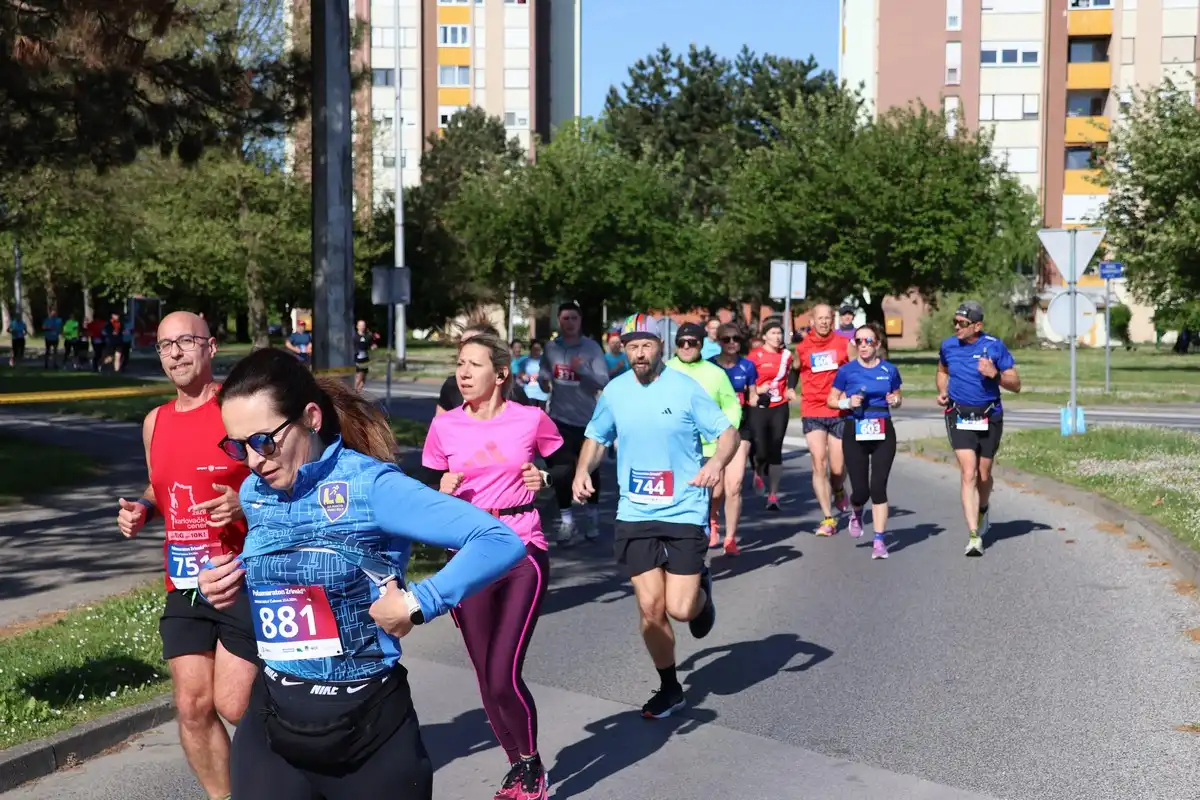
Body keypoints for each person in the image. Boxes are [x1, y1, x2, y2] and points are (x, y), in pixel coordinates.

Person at [197, 347, 526, 800]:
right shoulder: (256, 492)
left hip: (365, 730)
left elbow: (498, 541)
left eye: (263, 441)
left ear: (310, 418)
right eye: (238, 446)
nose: (253, 461)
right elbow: (288, 575)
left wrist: (417, 603)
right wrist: (233, 581)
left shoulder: (370, 487)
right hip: (275, 720)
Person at [422, 331, 575, 800]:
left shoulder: (530, 419)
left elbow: (565, 461)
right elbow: (426, 486)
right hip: (467, 555)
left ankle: (531, 768)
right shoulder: (445, 426)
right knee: (485, 674)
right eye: (460, 364)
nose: (463, 373)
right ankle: (518, 765)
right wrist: (439, 488)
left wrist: (547, 477)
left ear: (501, 374)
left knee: (503, 672)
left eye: (474, 365)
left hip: (520, 547)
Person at [115, 311, 258, 800]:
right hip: (185, 581)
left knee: (236, 705)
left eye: (185, 342)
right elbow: (163, 489)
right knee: (192, 705)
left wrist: (244, 502)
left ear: (211, 347)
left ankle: (298, 775)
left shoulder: (238, 410)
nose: (174, 353)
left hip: (242, 575)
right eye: (164, 346)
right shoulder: (155, 422)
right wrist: (143, 510)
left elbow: (284, 478)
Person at [574, 313, 737, 719]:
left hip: (684, 508)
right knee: (650, 608)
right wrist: (582, 471)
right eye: (631, 346)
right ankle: (669, 688)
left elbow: (728, 433)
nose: (639, 353)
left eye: (646, 345)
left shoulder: (686, 389)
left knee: (680, 609)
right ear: (623, 349)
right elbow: (596, 437)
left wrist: (717, 463)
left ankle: (702, 595)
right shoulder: (615, 392)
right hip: (635, 511)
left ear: (661, 346)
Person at [936, 300, 1021, 557]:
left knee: (983, 475)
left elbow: (1016, 384)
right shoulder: (948, 346)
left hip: (989, 415)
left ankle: (983, 507)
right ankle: (974, 536)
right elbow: (942, 370)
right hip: (959, 414)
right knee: (968, 473)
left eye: (963, 323)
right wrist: (942, 391)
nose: (957, 327)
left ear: (977, 325)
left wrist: (994, 374)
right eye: (955, 322)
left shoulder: (994, 346)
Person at [827, 324, 902, 560]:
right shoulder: (847, 371)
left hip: (883, 430)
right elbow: (831, 400)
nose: (863, 345)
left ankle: (879, 541)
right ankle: (856, 510)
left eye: (868, 341)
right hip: (855, 429)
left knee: (878, 487)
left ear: (877, 344)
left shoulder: (889, 370)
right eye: (858, 341)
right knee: (861, 490)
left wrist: (895, 399)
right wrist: (846, 403)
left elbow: (898, 397)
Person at [665, 323, 741, 550]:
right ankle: (681, 542)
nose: (686, 347)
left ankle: (705, 529)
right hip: (674, 447)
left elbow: (731, 407)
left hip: (708, 448)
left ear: (701, 344)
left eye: (692, 342)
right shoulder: (665, 370)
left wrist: (724, 435)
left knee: (711, 495)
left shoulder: (716, 374)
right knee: (677, 496)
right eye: (681, 343)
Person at [539, 302, 609, 544]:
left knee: (589, 469)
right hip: (559, 418)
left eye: (574, 318)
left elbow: (603, 380)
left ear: (580, 321)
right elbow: (545, 375)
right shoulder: (551, 348)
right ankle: (567, 521)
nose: (569, 323)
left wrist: (583, 371)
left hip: (588, 420)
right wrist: (543, 381)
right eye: (565, 318)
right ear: (559, 321)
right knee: (562, 470)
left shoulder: (591, 348)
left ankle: (592, 515)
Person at [794, 304, 851, 536]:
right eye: (820, 318)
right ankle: (828, 518)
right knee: (819, 462)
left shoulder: (844, 344)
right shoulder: (802, 348)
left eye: (828, 318)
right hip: (812, 408)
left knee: (837, 468)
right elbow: (794, 370)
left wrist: (850, 392)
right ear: (812, 320)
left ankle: (838, 488)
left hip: (837, 409)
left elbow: (854, 369)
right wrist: (789, 389)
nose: (825, 322)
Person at [709, 322, 757, 555]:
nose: (731, 344)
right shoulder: (709, 367)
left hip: (741, 429)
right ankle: (713, 520)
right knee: (716, 489)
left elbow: (754, 395)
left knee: (734, 484)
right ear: (718, 341)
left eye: (736, 339)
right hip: (714, 431)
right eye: (726, 339)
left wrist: (765, 397)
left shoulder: (747, 366)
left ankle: (730, 538)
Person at [746, 320, 794, 510]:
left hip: (779, 406)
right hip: (758, 406)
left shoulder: (787, 356)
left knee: (775, 449)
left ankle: (773, 495)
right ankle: (758, 469)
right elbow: (746, 382)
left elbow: (792, 373)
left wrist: (790, 388)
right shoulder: (754, 356)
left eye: (779, 333)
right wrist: (758, 389)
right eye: (773, 333)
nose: (777, 337)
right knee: (761, 448)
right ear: (764, 336)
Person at [519, 341, 549, 410]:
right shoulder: (524, 361)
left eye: (538, 349)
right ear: (531, 349)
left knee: (541, 417)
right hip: (529, 393)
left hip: (542, 393)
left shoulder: (545, 361)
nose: (536, 351)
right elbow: (520, 373)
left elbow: (549, 374)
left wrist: (540, 375)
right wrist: (524, 376)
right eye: (534, 349)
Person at [354, 319, 374, 393]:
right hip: (357, 359)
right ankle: (354, 392)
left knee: (363, 379)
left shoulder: (367, 336)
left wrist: (373, 346)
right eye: (360, 326)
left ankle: (357, 392)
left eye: (363, 326)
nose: (362, 327)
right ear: (357, 326)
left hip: (365, 359)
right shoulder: (355, 337)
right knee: (359, 376)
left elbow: (370, 344)